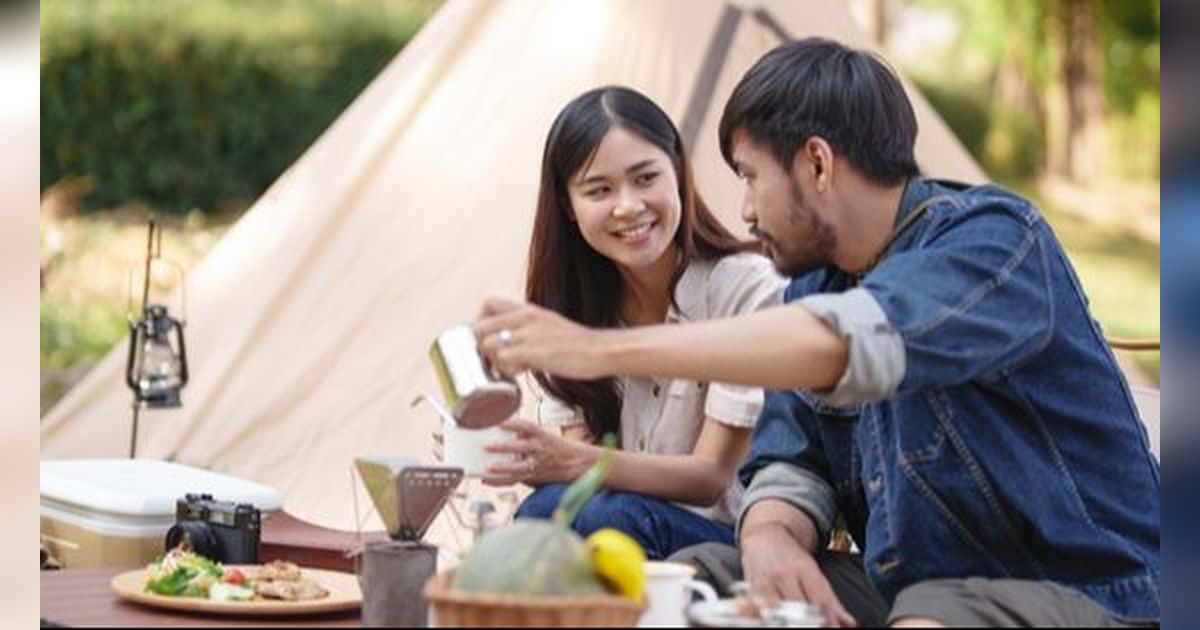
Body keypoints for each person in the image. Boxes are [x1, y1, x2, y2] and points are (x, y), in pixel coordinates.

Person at [473, 39, 1159, 627]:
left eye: (750, 178)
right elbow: (790, 460)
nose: (743, 210)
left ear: (818, 164)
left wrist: (593, 349)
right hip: (902, 588)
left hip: (1096, 590)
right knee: (697, 577)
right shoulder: (818, 285)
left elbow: (850, 342)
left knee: (939, 616)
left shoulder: (993, 243)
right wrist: (772, 536)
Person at [461, 86, 787, 560]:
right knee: (557, 511)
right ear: (568, 207)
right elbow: (581, 476)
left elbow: (711, 477)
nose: (628, 205)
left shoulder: (747, 289)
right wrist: (517, 453)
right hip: (617, 529)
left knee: (587, 517)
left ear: (677, 171)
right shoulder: (564, 309)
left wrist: (565, 460)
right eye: (599, 190)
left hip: (725, 547)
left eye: (645, 178)